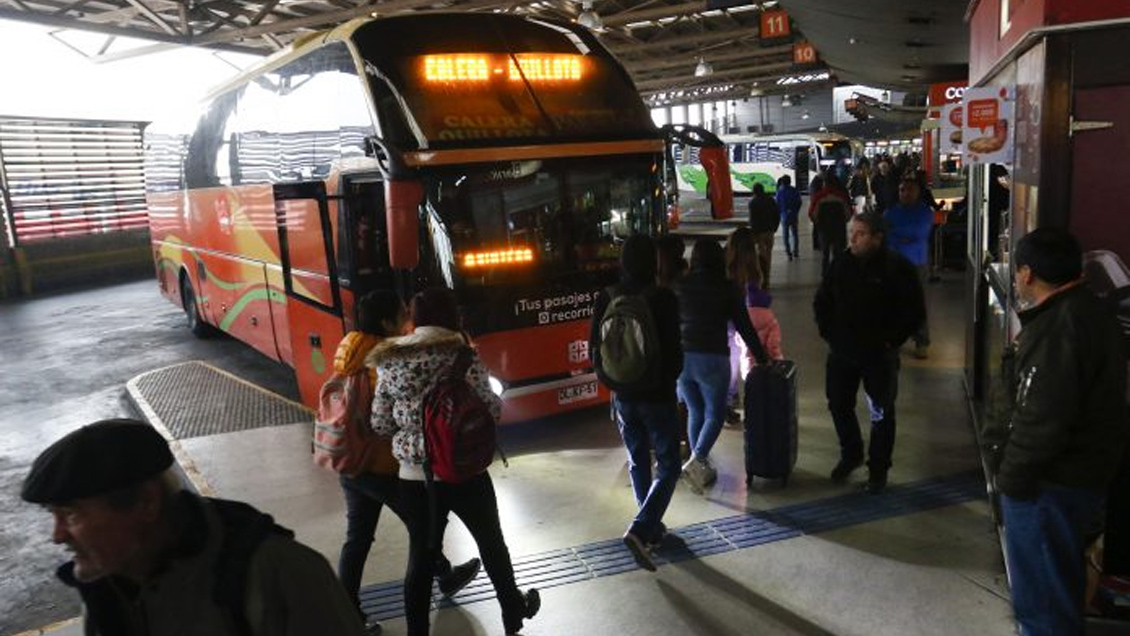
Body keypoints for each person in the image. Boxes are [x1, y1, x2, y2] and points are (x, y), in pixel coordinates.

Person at [21, 419, 366, 636]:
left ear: (146, 502)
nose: (58, 535)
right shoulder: (107, 583)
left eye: (71, 515)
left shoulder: (283, 575)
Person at [368, 288, 539, 636]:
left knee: (420, 558)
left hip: (415, 478)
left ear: (415, 319)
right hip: (466, 472)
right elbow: (491, 410)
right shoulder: (462, 356)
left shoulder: (390, 361)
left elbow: (380, 423)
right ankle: (512, 612)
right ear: (452, 317)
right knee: (491, 543)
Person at [998, 228, 1129, 636]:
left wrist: (1010, 480)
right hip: (1076, 479)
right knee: (1058, 586)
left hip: (1048, 487)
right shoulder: (1088, 312)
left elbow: (1041, 419)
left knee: (1043, 604)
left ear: (1026, 273)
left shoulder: (1059, 327)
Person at [332, 290, 481, 635]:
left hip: (350, 461)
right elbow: (385, 421)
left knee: (359, 538)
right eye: (401, 313)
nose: (407, 318)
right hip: (380, 467)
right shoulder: (380, 361)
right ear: (387, 323)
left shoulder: (350, 348)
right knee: (423, 531)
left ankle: (347, 613)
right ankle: (443, 577)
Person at [589, 234, 684, 572]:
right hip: (657, 395)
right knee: (670, 464)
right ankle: (642, 528)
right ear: (653, 262)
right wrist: (666, 381)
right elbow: (675, 354)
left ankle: (650, 528)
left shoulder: (607, 296)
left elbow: (593, 351)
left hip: (623, 395)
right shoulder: (663, 298)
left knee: (637, 459)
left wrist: (615, 383)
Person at [813, 212, 925, 493]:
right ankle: (851, 454)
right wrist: (828, 332)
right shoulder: (841, 263)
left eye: (860, 233)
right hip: (842, 352)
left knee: (882, 412)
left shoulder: (897, 268)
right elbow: (822, 300)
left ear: (877, 237)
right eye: (852, 231)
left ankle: (878, 469)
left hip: (878, 355)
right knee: (838, 404)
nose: (853, 238)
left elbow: (914, 311)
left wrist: (891, 341)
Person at [675, 238, 771, 493]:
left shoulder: (681, 285)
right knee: (715, 415)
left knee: (696, 411)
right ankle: (697, 462)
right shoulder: (727, 288)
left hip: (683, 359)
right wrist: (762, 357)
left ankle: (700, 467)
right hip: (712, 359)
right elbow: (744, 326)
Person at [884, 178, 935, 359]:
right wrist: (899, 237)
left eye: (909, 190)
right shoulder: (891, 212)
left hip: (917, 262)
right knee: (893, 303)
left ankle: (921, 340)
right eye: (902, 190)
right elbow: (884, 234)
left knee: (918, 303)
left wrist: (896, 234)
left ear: (918, 192)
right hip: (894, 263)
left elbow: (919, 233)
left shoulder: (924, 212)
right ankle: (894, 339)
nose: (905, 193)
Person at [808, 172, 852, 275]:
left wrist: (818, 223)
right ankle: (838, 273)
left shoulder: (819, 196)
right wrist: (843, 221)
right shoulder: (841, 196)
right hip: (839, 229)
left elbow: (812, 213)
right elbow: (848, 213)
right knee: (838, 253)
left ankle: (826, 273)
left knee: (825, 254)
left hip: (824, 229)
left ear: (825, 183)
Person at [747, 182, 780, 288]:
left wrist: (753, 233)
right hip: (770, 231)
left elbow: (752, 220)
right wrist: (775, 228)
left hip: (759, 233)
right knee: (768, 255)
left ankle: (762, 278)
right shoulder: (771, 200)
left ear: (754, 191)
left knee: (761, 257)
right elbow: (777, 215)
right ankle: (767, 278)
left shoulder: (753, 202)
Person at [774, 175, 802, 261]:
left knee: (785, 235)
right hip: (793, 214)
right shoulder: (795, 190)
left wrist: (779, 213)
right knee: (795, 234)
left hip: (784, 215)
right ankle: (796, 251)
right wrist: (796, 211)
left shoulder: (780, 191)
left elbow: (777, 204)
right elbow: (799, 202)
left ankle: (788, 253)